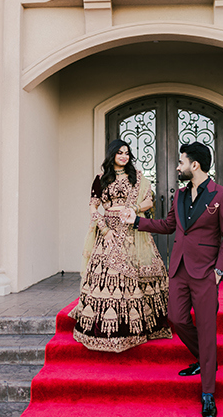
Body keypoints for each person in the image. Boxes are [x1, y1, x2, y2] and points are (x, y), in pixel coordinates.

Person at [122, 141, 223, 417]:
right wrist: (136, 221)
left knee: (208, 329)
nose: (177, 166)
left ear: (194, 165)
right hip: (179, 270)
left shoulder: (222, 195)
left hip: (206, 273)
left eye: (181, 161)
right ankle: (206, 358)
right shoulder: (180, 195)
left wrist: (219, 271)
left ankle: (208, 393)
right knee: (177, 318)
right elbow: (169, 225)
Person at [69, 139, 172, 352]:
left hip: (133, 229)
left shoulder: (138, 178)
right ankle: (105, 332)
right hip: (108, 231)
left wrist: (133, 208)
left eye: (127, 153)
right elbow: (93, 206)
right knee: (106, 277)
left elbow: (149, 202)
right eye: (120, 153)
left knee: (137, 274)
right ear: (112, 155)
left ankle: (142, 327)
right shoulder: (100, 179)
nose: (124, 156)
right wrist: (104, 230)